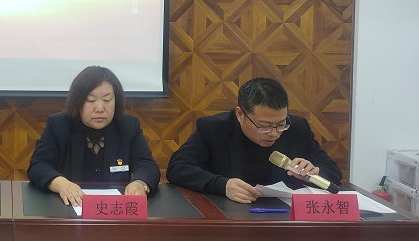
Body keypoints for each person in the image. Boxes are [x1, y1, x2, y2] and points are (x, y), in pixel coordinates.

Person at [166, 77, 342, 203]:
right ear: (240, 114)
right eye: (264, 126)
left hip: (285, 216)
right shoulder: (213, 128)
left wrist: (314, 173)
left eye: (281, 124)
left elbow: (332, 171)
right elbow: (178, 167)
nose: (274, 133)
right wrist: (222, 185)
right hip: (229, 213)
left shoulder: (297, 128)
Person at [27, 66, 160, 206]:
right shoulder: (59, 125)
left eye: (107, 100)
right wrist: (61, 183)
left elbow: (147, 165)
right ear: (77, 102)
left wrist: (140, 183)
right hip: (68, 206)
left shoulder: (128, 126)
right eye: (91, 100)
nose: (100, 109)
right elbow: (38, 165)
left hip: (114, 208)